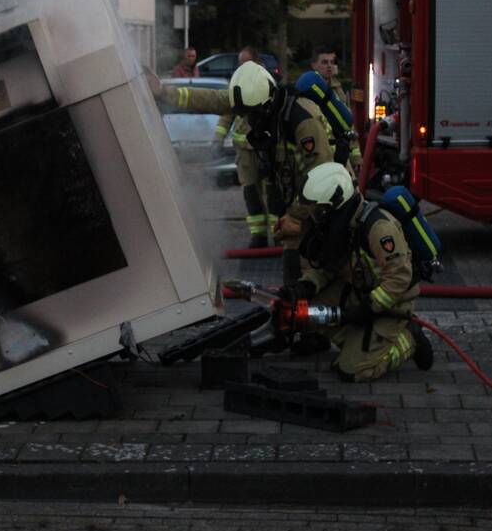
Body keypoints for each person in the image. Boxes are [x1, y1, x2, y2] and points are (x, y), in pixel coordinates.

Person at [150, 60, 334, 283]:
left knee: (318, 271)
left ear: (267, 104)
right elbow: (210, 99)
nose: (250, 121)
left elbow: (323, 177)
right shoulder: (255, 99)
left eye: (253, 115)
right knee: (292, 275)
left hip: (326, 205)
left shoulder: (304, 121)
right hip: (299, 199)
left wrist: (296, 214)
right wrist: (163, 93)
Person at [279, 162, 433, 381]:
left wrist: (369, 307)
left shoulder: (379, 228)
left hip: (392, 302)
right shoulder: (340, 225)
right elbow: (331, 267)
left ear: (332, 205)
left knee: (351, 370)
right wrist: (307, 285)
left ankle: (409, 338)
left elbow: (399, 277)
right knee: (305, 311)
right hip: (359, 291)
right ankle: (360, 342)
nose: (313, 216)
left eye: (316, 210)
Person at [213, 47, 276, 247]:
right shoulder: (237, 83)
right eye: (239, 63)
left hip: (266, 149)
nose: (240, 67)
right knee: (250, 193)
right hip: (244, 151)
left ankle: (278, 233)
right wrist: (218, 138)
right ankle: (258, 235)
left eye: (244, 63)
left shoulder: (266, 82)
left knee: (271, 192)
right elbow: (227, 113)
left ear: (257, 63)